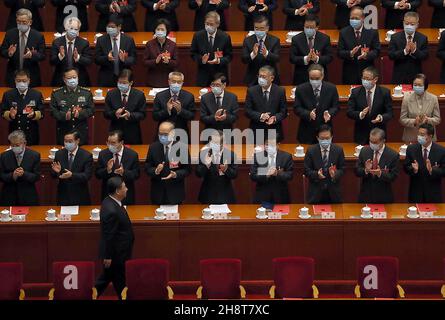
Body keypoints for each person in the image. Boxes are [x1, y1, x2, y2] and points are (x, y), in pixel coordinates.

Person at [95, 177, 134, 299]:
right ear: (117, 191)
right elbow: (109, 235)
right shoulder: (111, 210)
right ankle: (87, 294)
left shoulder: (110, 201)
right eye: (124, 187)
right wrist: (108, 256)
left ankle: (89, 294)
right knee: (116, 280)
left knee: (108, 278)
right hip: (116, 254)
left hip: (118, 252)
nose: (127, 189)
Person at [145, 122, 191, 205]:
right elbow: (147, 168)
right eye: (160, 134)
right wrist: (156, 171)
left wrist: (176, 174)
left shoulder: (182, 147)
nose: (162, 137)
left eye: (165, 134)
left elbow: (187, 169)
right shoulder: (153, 147)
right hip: (158, 193)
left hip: (175, 192)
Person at [347, 66, 393, 145]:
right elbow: (349, 112)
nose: (365, 81)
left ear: (375, 79)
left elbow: (390, 113)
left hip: (379, 134)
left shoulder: (384, 92)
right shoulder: (355, 92)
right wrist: (361, 114)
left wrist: (381, 117)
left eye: (368, 79)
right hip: (361, 134)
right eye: (363, 78)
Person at [294, 64, 339, 144]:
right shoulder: (301, 89)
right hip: (306, 131)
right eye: (311, 78)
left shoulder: (331, 88)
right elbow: (297, 108)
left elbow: (336, 107)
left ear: (322, 76)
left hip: (325, 131)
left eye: (317, 78)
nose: (314, 81)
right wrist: (308, 114)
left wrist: (329, 113)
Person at [0, 9, 46, 88]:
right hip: (13, 75)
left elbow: (42, 55)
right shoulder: (10, 34)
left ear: (30, 22)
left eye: (24, 22)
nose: (21, 24)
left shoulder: (38, 36)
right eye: (18, 22)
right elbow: (2, 51)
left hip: (31, 76)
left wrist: (32, 55)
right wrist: (9, 53)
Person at [50, 68, 94, 146]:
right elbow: (53, 112)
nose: (72, 80)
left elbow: (91, 110)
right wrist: (64, 116)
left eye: (74, 77)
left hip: (80, 131)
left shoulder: (86, 93)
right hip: (64, 131)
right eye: (69, 78)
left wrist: (80, 114)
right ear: (64, 79)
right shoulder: (57, 94)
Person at [337, 6, 381, 84]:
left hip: (368, 72)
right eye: (352, 18)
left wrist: (367, 55)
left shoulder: (372, 32)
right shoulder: (343, 32)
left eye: (356, 18)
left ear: (363, 18)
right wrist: (350, 53)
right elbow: (339, 52)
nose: (354, 20)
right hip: (349, 72)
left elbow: (377, 51)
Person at [355, 128, 399, 204]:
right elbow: (356, 171)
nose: (372, 144)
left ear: (383, 141)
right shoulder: (364, 151)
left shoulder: (393, 155)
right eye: (370, 141)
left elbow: (393, 177)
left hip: (384, 197)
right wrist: (366, 170)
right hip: (366, 196)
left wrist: (380, 174)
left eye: (375, 142)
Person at [95, 130, 140, 205]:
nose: (110, 145)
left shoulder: (132, 155)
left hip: (126, 195)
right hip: (108, 195)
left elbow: (136, 174)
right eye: (108, 142)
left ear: (121, 142)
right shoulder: (103, 154)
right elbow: (97, 174)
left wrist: (124, 172)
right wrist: (107, 170)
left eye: (113, 143)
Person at [404, 123, 445, 203]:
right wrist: (414, 169)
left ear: (430, 136)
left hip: (433, 193)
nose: (419, 136)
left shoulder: (441, 151)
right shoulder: (411, 149)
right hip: (416, 193)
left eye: (422, 134)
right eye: (418, 134)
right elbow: (406, 167)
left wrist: (432, 170)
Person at [1, 69, 44, 146]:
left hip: (31, 132)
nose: (21, 83)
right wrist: (10, 115)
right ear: (15, 81)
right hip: (14, 131)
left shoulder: (36, 94)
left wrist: (34, 114)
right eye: (19, 80)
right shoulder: (8, 94)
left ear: (29, 80)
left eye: (24, 81)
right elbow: (3, 112)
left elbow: (42, 113)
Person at [245, 65, 287, 143]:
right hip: (257, 130)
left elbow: (283, 111)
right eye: (259, 76)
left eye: (264, 77)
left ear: (272, 78)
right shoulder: (251, 91)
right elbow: (247, 111)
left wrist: (275, 118)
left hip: (274, 130)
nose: (261, 79)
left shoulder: (280, 91)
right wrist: (260, 116)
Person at [303, 125, 345, 204]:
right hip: (315, 193)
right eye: (322, 138)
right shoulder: (311, 150)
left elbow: (342, 169)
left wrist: (335, 174)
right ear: (317, 138)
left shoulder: (338, 150)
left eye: (327, 138)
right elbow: (306, 170)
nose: (325, 140)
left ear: (332, 137)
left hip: (334, 194)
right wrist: (316, 174)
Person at [103, 69, 146, 145]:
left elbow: (142, 114)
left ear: (131, 83)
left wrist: (130, 115)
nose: (121, 84)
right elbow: (106, 113)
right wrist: (115, 113)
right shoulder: (111, 94)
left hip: (132, 134)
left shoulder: (139, 95)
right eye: (119, 82)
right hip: (115, 132)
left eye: (124, 83)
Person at [190, 11, 233, 87]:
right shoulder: (198, 36)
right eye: (207, 24)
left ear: (218, 24)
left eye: (211, 24)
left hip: (219, 74)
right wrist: (201, 60)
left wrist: (219, 61)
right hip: (203, 75)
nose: (208, 26)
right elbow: (193, 53)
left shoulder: (225, 37)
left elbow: (229, 56)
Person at [50, 130, 93, 206]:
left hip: (80, 196)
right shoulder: (59, 154)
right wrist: (56, 172)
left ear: (77, 141)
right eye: (65, 141)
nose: (67, 143)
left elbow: (87, 175)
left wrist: (72, 175)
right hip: (63, 195)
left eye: (70, 141)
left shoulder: (86, 155)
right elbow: (53, 174)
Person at [196, 130, 238, 204]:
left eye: (216, 143)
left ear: (223, 143)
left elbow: (234, 175)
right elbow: (198, 174)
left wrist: (226, 169)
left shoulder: (231, 155)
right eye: (212, 142)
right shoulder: (203, 153)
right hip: (207, 194)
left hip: (225, 195)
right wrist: (207, 164)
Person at [289, 14, 333, 85]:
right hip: (301, 77)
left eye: (311, 27)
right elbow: (292, 58)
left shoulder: (325, 38)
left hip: (320, 77)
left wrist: (317, 59)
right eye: (306, 27)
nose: (308, 29)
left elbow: (329, 57)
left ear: (317, 27)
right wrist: (306, 59)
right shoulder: (296, 39)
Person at [0, 130, 40, 206]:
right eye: (12, 145)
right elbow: (1, 176)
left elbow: (37, 177)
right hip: (9, 196)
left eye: (17, 145)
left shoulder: (34, 156)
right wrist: (13, 175)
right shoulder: (4, 156)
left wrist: (24, 174)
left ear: (24, 143)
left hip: (28, 196)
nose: (14, 147)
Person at [95, 14, 137, 87]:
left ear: (119, 27)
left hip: (124, 78)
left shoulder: (128, 40)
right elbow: (96, 59)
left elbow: (134, 59)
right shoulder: (101, 40)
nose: (110, 29)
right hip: (106, 78)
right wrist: (106, 58)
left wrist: (124, 60)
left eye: (113, 27)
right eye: (108, 26)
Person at [50, 17, 92, 87]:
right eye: (71, 28)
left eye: (76, 29)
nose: (73, 31)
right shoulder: (57, 42)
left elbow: (89, 61)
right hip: (61, 79)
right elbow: (51, 62)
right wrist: (60, 56)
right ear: (66, 28)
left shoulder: (84, 43)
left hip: (80, 79)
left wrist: (78, 58)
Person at [250, 136, 293, 204]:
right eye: (267, 144)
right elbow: (253, 175)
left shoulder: (287, 156)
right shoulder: (257, 156)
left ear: (277, 145)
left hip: (281, 195)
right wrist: (266, 175)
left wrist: (277, 174)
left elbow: (290, 175)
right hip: (262, 195)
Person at [388, 11, 428, 85]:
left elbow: (425, 56)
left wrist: (415, 51)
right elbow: (391, 55)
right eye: (406, 24)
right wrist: (404, 51)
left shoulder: (422, 38)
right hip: (399, 76)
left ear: (417, 25)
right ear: (403, 23)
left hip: (416, 78)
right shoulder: (395, 37)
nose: (409, 26)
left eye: (412, 24)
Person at [400, 74, 440, 143]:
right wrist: (414, 122)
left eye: (420, 85)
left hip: (428, 137)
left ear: (425, 86)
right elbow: (402, 119)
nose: (417, 87)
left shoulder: (433, 98)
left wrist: (428, 120)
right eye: (415, 85)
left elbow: (437, 119)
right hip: (411, 137)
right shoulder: (406, 98)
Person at [241, 15, 280, 86]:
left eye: (262, 29)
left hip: (270, 78)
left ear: (267, 28)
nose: (259, 31)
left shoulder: (275, 40)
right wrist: (253, 54)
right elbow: (244, 60)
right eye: (256, 28)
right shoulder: (248, 40)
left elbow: (277, 58)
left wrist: (267, 54)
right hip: (252, 78)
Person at [152, 72, 195, 137]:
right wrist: (167, 110)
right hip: (164, 133)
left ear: (182, 83)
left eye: (179, 82)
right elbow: (155, 117)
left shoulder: (189, 96)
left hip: (181, 134)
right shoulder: (160, 96)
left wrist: (180, 110)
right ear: (169, 82)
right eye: (174, 81)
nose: (176, 84)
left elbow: (192, 116)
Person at [143, 19, 178, 88]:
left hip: (167, 80)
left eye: (162, 29)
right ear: (155, 30)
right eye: (158, 29)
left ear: (167, 31)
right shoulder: (149, 44)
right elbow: (144, 62)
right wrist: (155, 61)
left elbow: (177, 63)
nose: (160, 31)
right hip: (153, 80)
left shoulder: (172, 44)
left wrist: (168, 62)